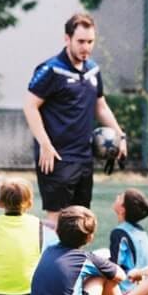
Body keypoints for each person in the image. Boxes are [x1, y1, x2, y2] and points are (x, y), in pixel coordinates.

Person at [22, 12, 128, 226]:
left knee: (81, 218)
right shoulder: (51, 70)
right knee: (56, 219)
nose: (86, 47)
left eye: (90, 42)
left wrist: (120, 135)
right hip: (56, 157)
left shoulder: (93, 70)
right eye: (80, 41)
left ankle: (76, 260)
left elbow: (101, 106)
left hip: (84, 156)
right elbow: (30, 106)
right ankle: (48, 258)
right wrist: (45, 144)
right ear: (67, 39)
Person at [27, 206, 141, 295]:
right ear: (90, 238)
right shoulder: (84, 259)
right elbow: (120, 276)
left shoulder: (48, 251)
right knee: (105, 276)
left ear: (57, 231)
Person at [107, 188, 148, 294]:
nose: (117, 197)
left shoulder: (119, 233)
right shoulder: (140, 230)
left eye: (120, 197)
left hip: (125, 289)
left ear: (122, 209)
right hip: (143, 287)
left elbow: (114, 267)